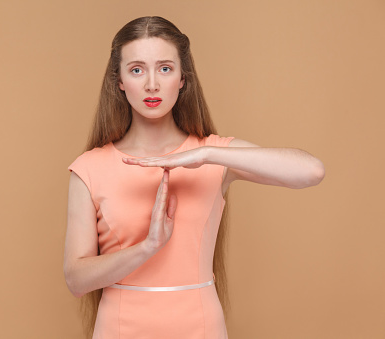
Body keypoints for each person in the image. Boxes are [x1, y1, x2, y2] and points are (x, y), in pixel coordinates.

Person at [64, 16, 325, 339]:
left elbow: (311, 171)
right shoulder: (89, 167)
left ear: (182, 78)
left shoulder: (215, 155)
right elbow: (76, 279)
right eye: (136, 70)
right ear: (118, 80)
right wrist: (147, 248)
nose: (151, 84)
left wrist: (205, 154)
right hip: (120, 327)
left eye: (164, 68)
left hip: (200, 326)